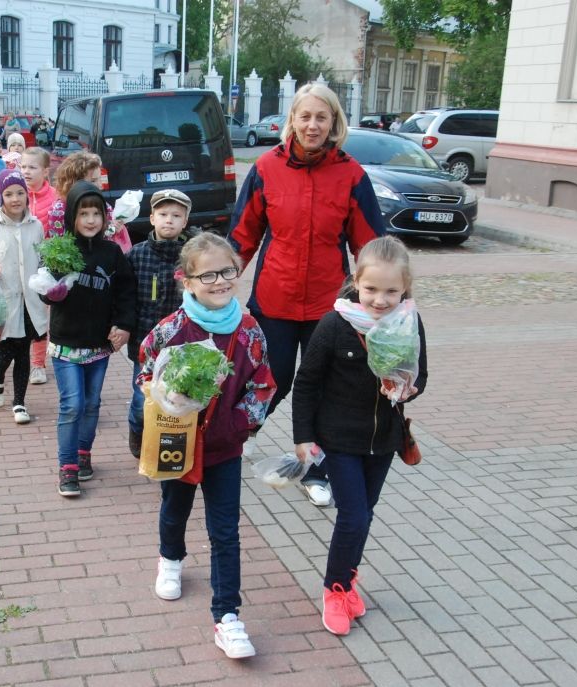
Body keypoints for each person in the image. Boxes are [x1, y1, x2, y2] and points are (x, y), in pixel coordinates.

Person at [228, 82, 384, 508]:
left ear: (334, 122)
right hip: (274, 299)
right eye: (305, 116)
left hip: (328, 306)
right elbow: (243, 234)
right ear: (291, 120)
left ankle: (317, 471)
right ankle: (246, 431)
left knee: (327, 391)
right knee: (270, 380)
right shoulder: (265, 168)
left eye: (322, 117)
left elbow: (370, 246)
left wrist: (383, 298)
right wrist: (218, 281)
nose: (313, 125)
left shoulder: (352, 175)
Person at [137, 233, 275, 660]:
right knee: (174, 508)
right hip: (178, 441)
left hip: (224, 449)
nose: (220, 281)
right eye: (209, 274)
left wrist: (235, 425)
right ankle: (171, 558)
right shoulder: (172, 329)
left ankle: (228, 616)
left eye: (228, 272)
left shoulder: (249, 330)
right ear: (187, 280)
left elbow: (263, 385)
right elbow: (145, 372)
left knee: (226, 531)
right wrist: (168, 399)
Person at [291, 235, 427, 636]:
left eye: (391, 291)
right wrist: (303, 436)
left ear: (405, 289)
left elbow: (422, 374)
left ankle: (348, 580)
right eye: (370, 289)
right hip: (339, 438)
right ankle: (334, 591)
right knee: (353, 516)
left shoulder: (409, 321)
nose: (380, 300)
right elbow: (307, 382)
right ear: (356, 281)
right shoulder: (336, 323)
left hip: (383, 439)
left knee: (363, 517)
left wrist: (409, 388)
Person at [39, 181, 136, 497]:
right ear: (71, 217)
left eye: (97, 213)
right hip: (66, 343)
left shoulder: (112, 253)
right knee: (73, 404)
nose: (91, 220)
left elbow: (126, 293)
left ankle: (83, 453)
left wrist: (123, 324)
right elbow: (45, 290)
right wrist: (51, 292)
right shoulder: (60, 250)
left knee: (92, 403)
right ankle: (67, 468)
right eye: (84, 213)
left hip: (99, 345)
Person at [125, 189, 198, 456]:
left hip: (181, 344)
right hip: (144, 344)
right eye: (163, 214)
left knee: (176, 398)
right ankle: (137, 430)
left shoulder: (191, 258)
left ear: (184, 222)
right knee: (141, 399)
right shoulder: (137, 255)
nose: (169, 220)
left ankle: (165, 444)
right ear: (152, 218)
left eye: (176, 215)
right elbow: (126, 297)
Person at [0, 169, 48, 424]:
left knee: (23, 352)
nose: (15, 199)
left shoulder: (35, 225)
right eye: (8, 194)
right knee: (5, 352)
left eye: (20, 193)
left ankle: (19, 403)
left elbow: (42, 257)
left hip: (29, 301)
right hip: (2, 302)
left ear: (27, 195)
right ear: (1, 197)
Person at [19, 146, 57, 386]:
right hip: (19, 264)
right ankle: (19, 358)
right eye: (23, 166)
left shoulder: (55, 198)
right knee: (19, 315)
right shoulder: (15, 194)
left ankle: (38, 364)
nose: (26, 172)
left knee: (40, 317)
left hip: (45, 267)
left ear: (45, 171)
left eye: (32, 167)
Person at [46, 151, 131, 253]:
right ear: (74, 182)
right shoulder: (59, 211)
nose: (100, 186)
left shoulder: (104, 206)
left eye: (100, 179)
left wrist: (115, 228)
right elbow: (58, 248)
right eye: (93, 180)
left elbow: (107, 236)